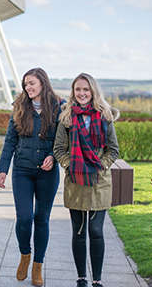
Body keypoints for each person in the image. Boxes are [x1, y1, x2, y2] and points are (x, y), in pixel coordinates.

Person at [0, 67, 62, 287]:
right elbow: (9, 141)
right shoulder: (19, 107)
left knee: (41, 219)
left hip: (47, 174)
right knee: (24, 218)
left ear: (43, 83)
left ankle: (37, 266)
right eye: (26, 84)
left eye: (32, 83)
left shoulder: (59, 108)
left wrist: (53, 156)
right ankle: (25, 254)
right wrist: (3, 170)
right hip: (22, 171)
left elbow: (63, 141)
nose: (28, 87)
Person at [53, 73, 119, 287]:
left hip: (100, 181)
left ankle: (97, 280)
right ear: (73, 92)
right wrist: (69, 166)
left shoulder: (105, 116)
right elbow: (59, 149)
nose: (81, 93)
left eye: (86, 89)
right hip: (76, 181)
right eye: (78, 89)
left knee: (96, 231)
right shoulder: (66, 117)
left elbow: (113, 150)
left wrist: (101, 165)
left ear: (93, 91)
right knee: (79, 231)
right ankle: (81, 278)